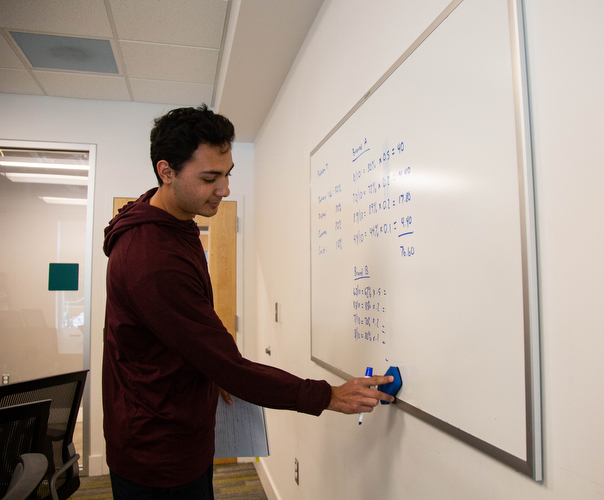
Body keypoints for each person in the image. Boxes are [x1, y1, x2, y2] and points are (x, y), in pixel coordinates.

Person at [102, 104, 393, 499]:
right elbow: (230, 366)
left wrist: (213, 366)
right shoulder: (152, 260)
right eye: (210, 177)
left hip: (178, 432)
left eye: (227, 174)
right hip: (156, 456)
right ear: (165, 172)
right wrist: (328, 395)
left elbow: (197, 330)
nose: (223, 189)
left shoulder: (168, 218)